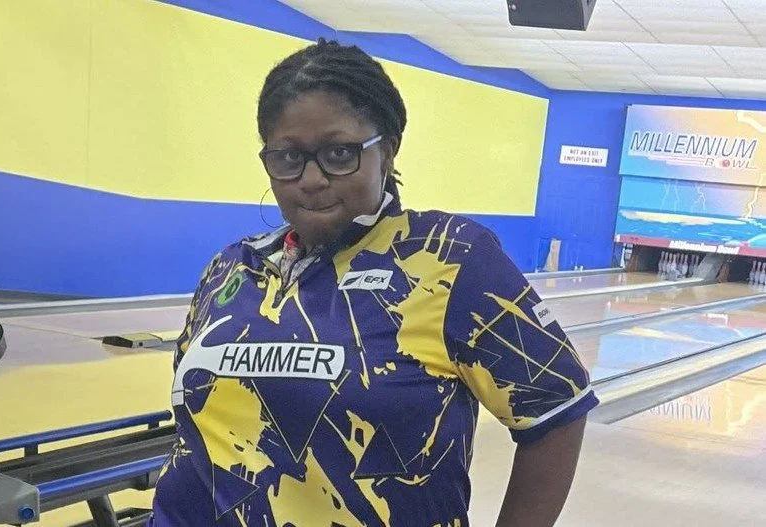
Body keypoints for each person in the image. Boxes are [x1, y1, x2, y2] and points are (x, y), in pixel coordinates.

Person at [149, 38, 598, 527]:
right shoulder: (231, 268)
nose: (312, 178)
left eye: (339, 153)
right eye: (288, 157)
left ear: (387, 150)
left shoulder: (450, 258)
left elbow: (557, 409)